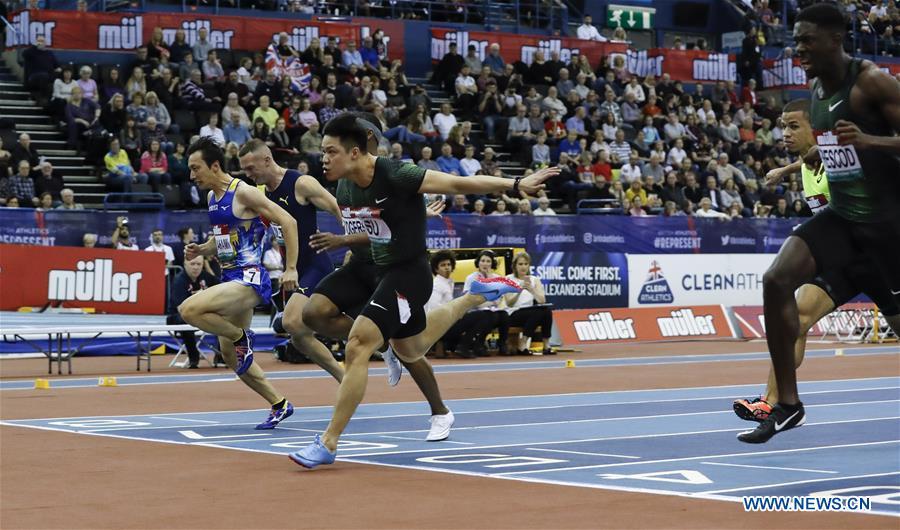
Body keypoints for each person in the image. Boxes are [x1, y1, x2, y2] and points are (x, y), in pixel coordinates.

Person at [289, 114, 556, 468]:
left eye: (330, 151)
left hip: (407, 272)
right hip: (367, 265)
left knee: (360, 343)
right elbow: (375, 232)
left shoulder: (399, 174)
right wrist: (345, 243)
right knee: (314, 315)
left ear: (355, 151)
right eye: (322, 151)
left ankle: (328, 442)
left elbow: (459, 183)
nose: (323, 159)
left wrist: (516, 183)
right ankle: (401, 354)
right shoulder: (344, 187)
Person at [739, 3, 900, 444]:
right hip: (845, 219)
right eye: (795, 40)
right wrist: (818, 153)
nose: (798, 48)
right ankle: (787, 405)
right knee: (777, 279)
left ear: (835, 39)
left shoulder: (871, 81)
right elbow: (839, 145)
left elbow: (867, 141)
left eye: (807, 39)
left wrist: (870, 140)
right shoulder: (815, 89)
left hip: (890, 230)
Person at [178, 137, 300, 430]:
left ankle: (239, 337)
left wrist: (291, 268)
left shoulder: (243, 193)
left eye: (196, 169)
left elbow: (289, 221)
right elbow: (223, 241)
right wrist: (201, 250)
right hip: (229, 277)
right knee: (233, 358)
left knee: (188, 310)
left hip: (250, 278)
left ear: (215, 165)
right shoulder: (211, 199)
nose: (192, 176)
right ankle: (280, 404)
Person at [238, 139, 349, 384]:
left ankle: (370, 332)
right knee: (298, 335)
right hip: (293, 271)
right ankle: (344, 377)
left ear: (267, 160)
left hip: (314, 265)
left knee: (290, 321)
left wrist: (350, 244)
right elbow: (253, 230)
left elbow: (339, 211)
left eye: (250, 168)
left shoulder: (301, 183)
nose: (247, 174)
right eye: (244, 170)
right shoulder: (261, 193)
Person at [168, 256, 219, 369]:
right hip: (178, 316)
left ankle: (221, 356)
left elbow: (222, 287)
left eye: (199, 264)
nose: (195, 267)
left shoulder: (206, 277)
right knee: (186, 321)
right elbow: (180, 308)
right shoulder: (179, 280)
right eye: (192, 264)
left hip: (202, 315)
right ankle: (193, 357)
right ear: (185, 264)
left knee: (223, 319)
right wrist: (199, 298)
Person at [462, 250, 511, 356]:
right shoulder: (471, 278)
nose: (485, 264)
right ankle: (478, 344)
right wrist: (488, 302)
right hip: (474, 310)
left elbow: (498, 300)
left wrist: (489, 279)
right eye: (482, 261)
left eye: (488, 261)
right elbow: (470, 299)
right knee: (489, 316)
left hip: (492, 310)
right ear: (478, 262)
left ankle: (502, 344)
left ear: (492, 263)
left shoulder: (496, 278)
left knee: (504, 316)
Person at [504, 252, 554, 355]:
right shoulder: (508, 279)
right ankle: (523, 342)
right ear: (515, 266)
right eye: (520, 264)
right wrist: (519, 289)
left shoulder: (534, 280)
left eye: (526, 264)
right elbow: (509, 303)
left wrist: (531, 289)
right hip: (514, 313)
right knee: (537, 312)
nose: (523, 267)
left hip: (531, 314)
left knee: (547, 311)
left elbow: (542, 301)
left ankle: (546, 344)